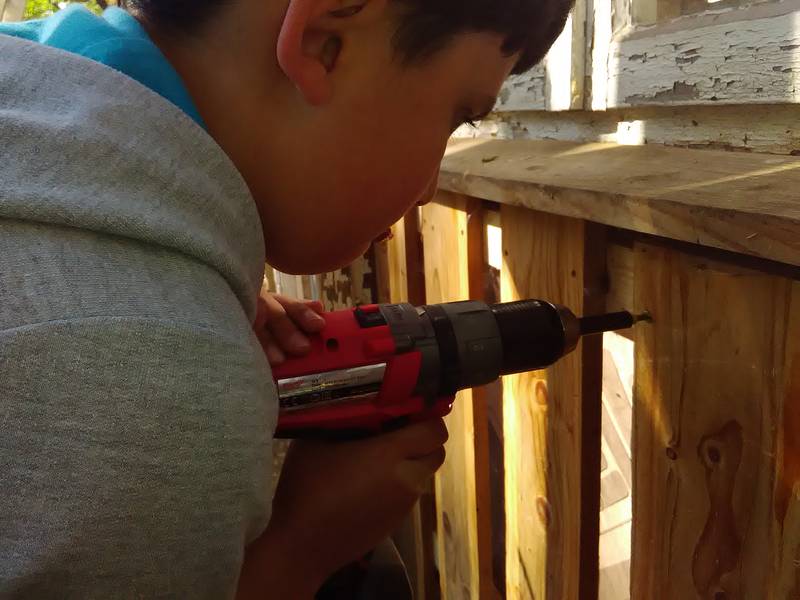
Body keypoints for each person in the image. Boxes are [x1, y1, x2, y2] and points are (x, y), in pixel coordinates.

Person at [0, 0, 571, 597]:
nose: (429, 188)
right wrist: (299, 550)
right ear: (324, 44)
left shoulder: (32, 80)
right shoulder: (149, 391)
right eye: (459, 114)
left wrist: (201, 292)